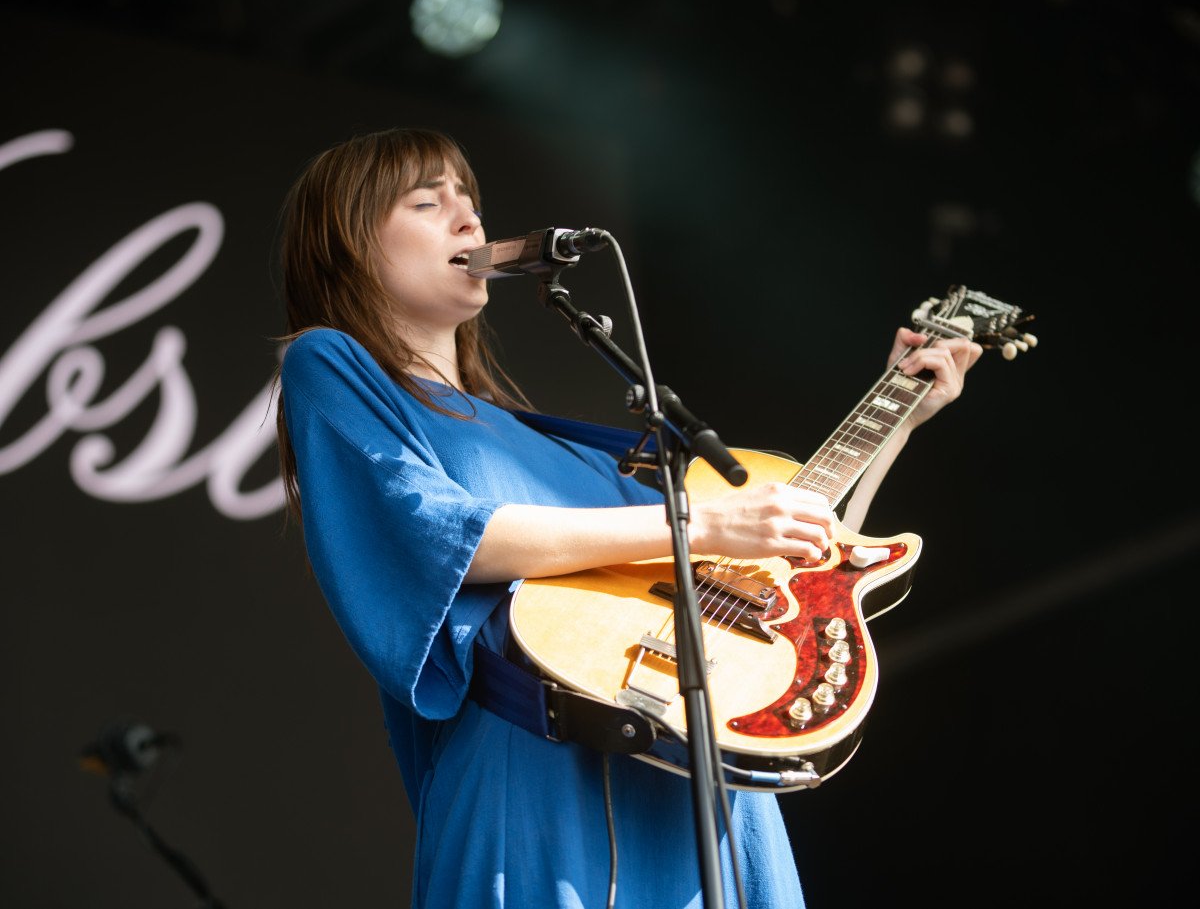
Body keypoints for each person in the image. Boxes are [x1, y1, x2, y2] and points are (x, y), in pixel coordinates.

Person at [273, 127, 981, 909]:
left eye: (468, 199)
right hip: (537, 768)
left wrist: (899, 413)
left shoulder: (553, 445)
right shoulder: (329, 363)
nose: (469, 219)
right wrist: (706, 527)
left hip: (700, 767)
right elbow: (446, 536)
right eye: (427, 200)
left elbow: (789, 559)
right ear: (346, 241)